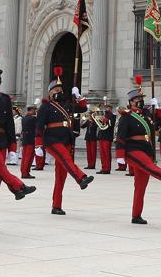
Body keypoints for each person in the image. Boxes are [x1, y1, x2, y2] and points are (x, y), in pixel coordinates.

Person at [0, 51, 36, 233]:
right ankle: (18, 186)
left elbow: (10, 124)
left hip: (1, 139)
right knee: (1, 169)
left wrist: (12, 146)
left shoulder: (4, 99)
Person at [115, 81, 161, 224]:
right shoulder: (127, 116)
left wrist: (159, 106)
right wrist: (119, 156)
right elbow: (120, 136)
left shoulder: (146, 114)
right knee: (148, 165)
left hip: (145, 148)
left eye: (141, 99)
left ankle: (136, 215)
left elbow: (159, 120)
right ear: (131, 102)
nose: (140, 101)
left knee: (141, 186)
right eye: (137, 99)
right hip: (132, 149)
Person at [34, 70, 93, 216]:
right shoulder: (46, 106)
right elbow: (39, 126)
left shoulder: (67, 105)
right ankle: (80, 178)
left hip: (66, 140)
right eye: (56, 90)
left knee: (61, 176)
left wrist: (77, 96)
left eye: (61, 90)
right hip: (52, 140)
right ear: (50, 92)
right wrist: (38, 144)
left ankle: (56, 205)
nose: (59, 92)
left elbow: (83, 108)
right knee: (66, 159)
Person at [94, 104, 115, 174]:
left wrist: (104, 119)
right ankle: (103, 168)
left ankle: (107, 169)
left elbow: (111, 124)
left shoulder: (113, 116)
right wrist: (98, 120)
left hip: (107, 137)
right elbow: (99, 124)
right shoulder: (103, 115)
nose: (107, 109)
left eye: (108, 107)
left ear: (111, 108)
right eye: (106, 107)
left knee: (107, 153)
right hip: (101, 136)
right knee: (102, 154)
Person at [20, 104, 40, 178]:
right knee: (29, 157)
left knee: (24, 157)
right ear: (31, 110)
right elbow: (38, 127)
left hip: (25, 139)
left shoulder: (24, 118)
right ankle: (25, 173)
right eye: (35, 110)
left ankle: (23, 172)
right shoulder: (33, 118)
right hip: (30, 139)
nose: (35, 111)